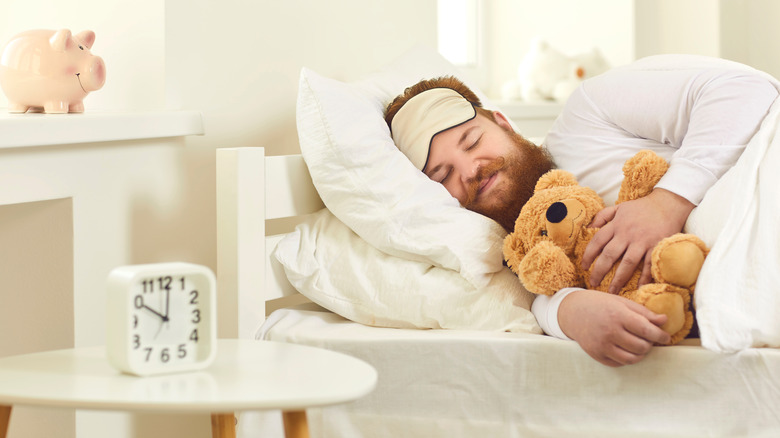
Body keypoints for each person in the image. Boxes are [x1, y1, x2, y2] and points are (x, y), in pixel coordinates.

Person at [384, 54, 779, 367]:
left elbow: (747, 90)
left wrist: (667, 201)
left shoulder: (589, 112)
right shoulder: (508, 246)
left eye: (472, 142)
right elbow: (536, 289)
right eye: (443, 175)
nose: (471, 171)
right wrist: (568, 311)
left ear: (503, 123)